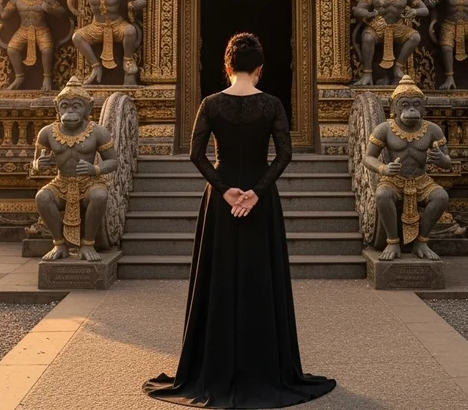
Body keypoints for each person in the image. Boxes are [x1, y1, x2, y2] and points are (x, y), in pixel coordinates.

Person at [143, 32, 336, 408]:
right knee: (260, 276)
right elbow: (283, 156)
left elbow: (197, 155)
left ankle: (211, 365)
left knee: (219, 277)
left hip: (221, 200)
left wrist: (226, 189)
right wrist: (256, 192)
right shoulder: (273, 105)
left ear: (227, 66)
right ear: (259, 69)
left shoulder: (211, 103)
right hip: (260, 200)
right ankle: (265, 366)